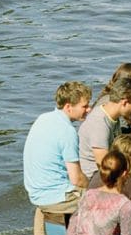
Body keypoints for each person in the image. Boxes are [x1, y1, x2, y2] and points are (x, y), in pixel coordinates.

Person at [23, 81, 92, 210]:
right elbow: (76, 179)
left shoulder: (43, 118)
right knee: (108, 202)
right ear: (68, 107)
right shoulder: (67, 131)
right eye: (85, 106)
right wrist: (92, 188)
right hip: (57, 196)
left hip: (36, 194)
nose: (89, 109)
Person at [75, 78, 131, 183]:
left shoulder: (113, 117)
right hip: (95, 176)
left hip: (111, 170)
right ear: (124, 102)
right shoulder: (99, 124)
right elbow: (103, 163)